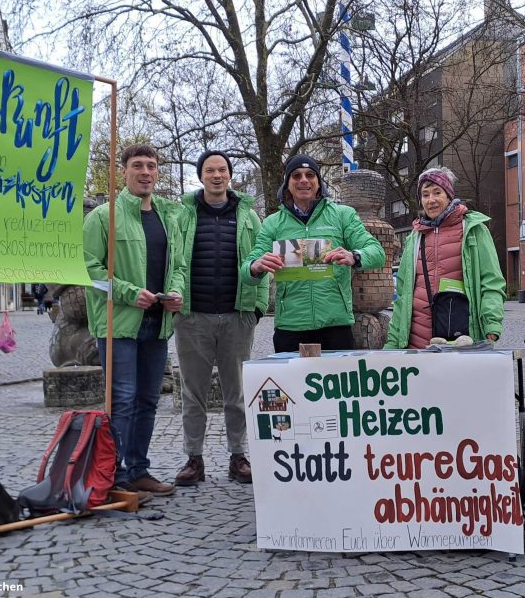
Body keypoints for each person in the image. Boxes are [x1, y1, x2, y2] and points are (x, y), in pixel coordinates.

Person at [84, 143, 187, 499]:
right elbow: (89, 269)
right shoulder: (102, 216)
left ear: (158, 173)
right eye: (138, 165)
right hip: (119, 323)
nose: (146, 172)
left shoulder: (168, 217)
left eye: (152, 166)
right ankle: (111, 474)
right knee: (122, 400)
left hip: (157, 323)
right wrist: (129, 293)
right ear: (123, 171)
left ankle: (138, 469)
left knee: (147, 399)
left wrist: (176, 291)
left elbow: (179, 266)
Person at [173, 150, 270, 487]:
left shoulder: (248, 216)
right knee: (192, 392)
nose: (217, 175)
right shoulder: (183, 214)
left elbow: (262, 261)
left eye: (223, 170)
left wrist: (257, 308)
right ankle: (193, 458)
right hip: (192, 316)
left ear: (230, 175)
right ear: (200, 176)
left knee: (237, 392)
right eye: (210, 170)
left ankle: (238, 455)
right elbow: (174, 259)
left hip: (236, 315)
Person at [243, 154, 385, 352]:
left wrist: (356, 256)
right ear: (287, 184)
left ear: (319, 183)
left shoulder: (343, 215)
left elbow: (377, 252)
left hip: (335, 325)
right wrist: (255, 266)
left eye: (310, 175)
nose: (303, 180)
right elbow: (246, 272)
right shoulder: (272, 223)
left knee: (336, 384)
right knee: (291, 384)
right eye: (296, 175)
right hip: (290, 326)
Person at [384, 167, 505, 349]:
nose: (431, 200)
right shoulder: (414, 239)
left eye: (437, 192)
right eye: (425, 195)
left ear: (449, 195)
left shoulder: (473, 231)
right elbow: (403, 295)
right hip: (417, 342)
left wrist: (491, 324)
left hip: (461, 339)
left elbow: (491, 281)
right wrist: (393, 342)